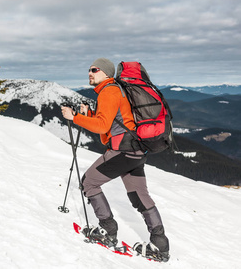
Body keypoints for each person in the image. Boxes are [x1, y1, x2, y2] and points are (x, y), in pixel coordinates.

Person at [61, 57, 170, 262]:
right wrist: (90, 114)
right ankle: (160, 244)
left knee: (89, 182)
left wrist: (74, 117)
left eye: (95, 70)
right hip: (136, 152)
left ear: (106, 73)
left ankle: (107, 230)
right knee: (139, 195)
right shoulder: (116, 90)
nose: (90, 73)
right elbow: (110, 129)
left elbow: (103, 127)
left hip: (123, 152)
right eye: (89, 69)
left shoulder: (109, 90)